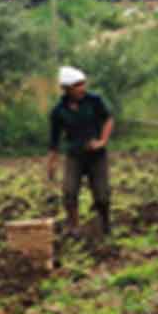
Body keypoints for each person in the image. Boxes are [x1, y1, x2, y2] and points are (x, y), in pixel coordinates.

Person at [46, 66, 115, 238]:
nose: (82, 88)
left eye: (82, 84)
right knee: (69, 192)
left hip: (96, 155)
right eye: (77, 85)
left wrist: (102, 141)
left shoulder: (94, 100)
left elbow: (108, 119)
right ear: (66, 88)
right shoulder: (58, 111)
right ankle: (74, 226)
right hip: (75, 155)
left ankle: (104, 224)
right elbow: (54, 140)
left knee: (102, 195)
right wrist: (52, 163)